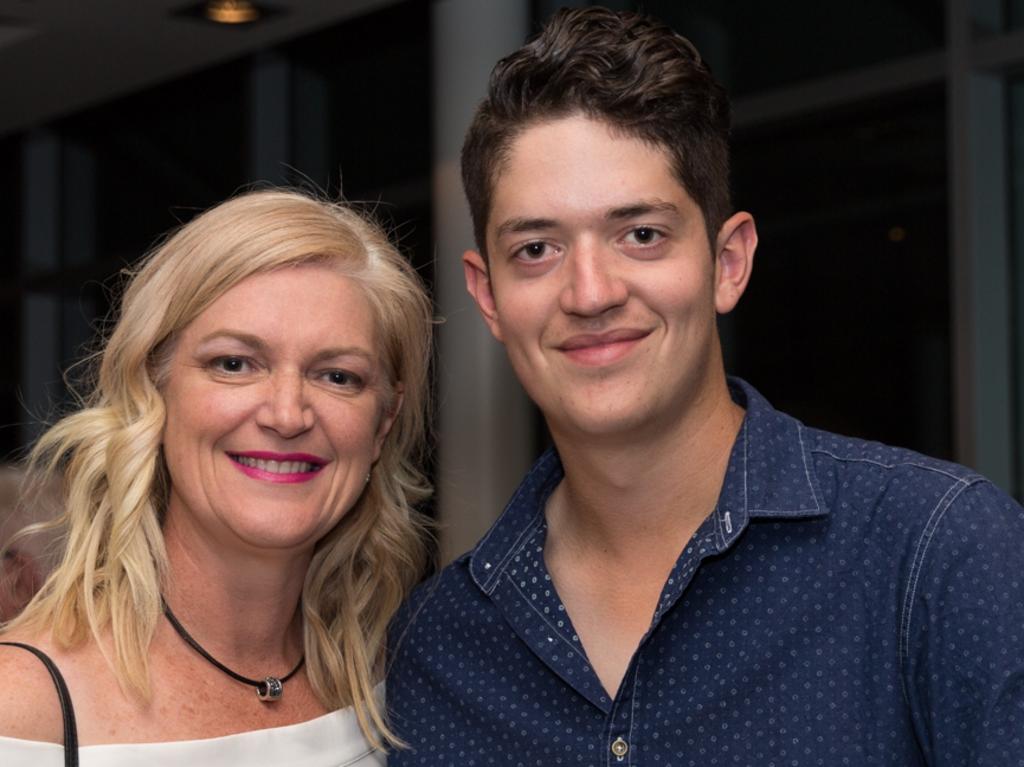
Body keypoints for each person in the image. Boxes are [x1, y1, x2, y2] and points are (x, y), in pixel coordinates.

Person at [386, 7, 1024, 766]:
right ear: (487, 295)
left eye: (641, 235)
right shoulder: (434, 649)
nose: (590, 292)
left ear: (728, 262)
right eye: (536, 248)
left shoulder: (938, 555)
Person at [0, 189, 433, 765]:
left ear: (383, 423)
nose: (286, 415)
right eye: (234, 364)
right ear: (153, 390)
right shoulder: (26, 705)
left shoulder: (402, 682)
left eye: (337, 376)